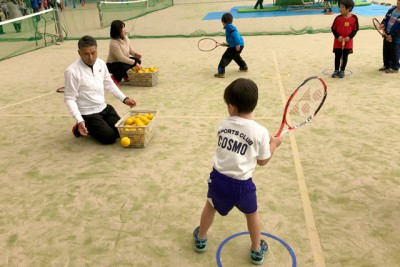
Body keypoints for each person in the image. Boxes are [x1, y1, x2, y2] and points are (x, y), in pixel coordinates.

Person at [193, 78, 282, 265]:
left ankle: (201, 238)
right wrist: (273, 144)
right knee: (252, 214)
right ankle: (256, 250)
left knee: (210, 206)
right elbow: (263, 161)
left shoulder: (223, 124)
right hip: (242, 185)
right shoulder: (261, 132)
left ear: (232, 107)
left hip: (218, 180)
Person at [64, 35, 137, 145]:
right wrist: (80, 120)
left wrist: (124, 99)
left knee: (121, 132)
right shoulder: (72, 71)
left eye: (93, 53)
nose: (91, 57)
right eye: (86, 54)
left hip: (104, 108)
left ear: (97, 50)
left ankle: (98, 124)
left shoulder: (101, 63)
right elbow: (70, 98)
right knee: (110, 138)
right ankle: (81, 126)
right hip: (88, 113)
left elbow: (109, 84)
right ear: (79, 53)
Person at [106, 20, 142, 86]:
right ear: (117, 30)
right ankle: (115, 78)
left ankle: (125, 75)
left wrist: (135, 54)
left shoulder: (125, 37)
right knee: (126, 66)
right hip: (112, 65)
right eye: (123, 28)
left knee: (138, 60)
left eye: (124, 27)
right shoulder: (114, 43)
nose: (125, 29)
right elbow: (121, 58)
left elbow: (130, 49)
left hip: (122, 62)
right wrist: (134, 63)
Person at [330, 0, 358, 78]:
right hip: (338, 41)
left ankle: (342, 70)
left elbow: (355, 29)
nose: (340, 9)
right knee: (337, 56)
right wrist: (338, 36)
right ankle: (336, 70)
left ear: (349, 8)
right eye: (340, 7)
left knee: (345, 56)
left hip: (348, 42)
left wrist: (349, 37)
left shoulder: (354, 18)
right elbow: (333, 29)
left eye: (342, 7)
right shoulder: (338, 18)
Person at [214, 13, 248, 78]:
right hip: (240, 45)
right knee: (235, 56)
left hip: (237, 45)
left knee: (225, 57)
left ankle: (221, 72)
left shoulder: (229, 27)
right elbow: (232, 39)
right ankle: (243, 66)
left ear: (222, 20)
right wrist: (225, 44)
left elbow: (235, 35)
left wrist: (237, 44)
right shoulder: (230, 27)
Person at [378, 0, 400, 73]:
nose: (399, 2)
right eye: (398, 0)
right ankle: (386, 65)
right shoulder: (391, 10)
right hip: (386, 34)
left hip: (397, 37)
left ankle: (394, 67)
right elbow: (385, 19)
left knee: (395, 52)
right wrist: (382, 24)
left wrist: (393, 36)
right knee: (386, 50)